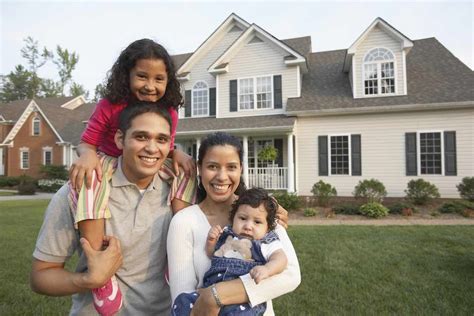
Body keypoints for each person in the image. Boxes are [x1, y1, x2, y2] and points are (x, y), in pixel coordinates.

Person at [67, 39, 196, 315]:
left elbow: (165, 146)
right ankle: (101, 267)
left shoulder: (169, 112)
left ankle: (178, 253)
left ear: (168, 82)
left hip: (148, 163)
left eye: (159, 79)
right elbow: (86, 142)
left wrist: (178, 155)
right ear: (127, 75)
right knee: (92, 180)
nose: (150, 86)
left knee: (186, 175)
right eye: (142, 76)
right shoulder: (111, 105)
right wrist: (88, 154)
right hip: (108, 161)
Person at [31, 102, 177, 315]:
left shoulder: (179, 193)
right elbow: (40, 276)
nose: (152, 148)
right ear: (120, 139)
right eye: (141, 137)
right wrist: (88, 280)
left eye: (161, 139)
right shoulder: (80, 192)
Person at [167, 132, 301, 316]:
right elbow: (182, 298)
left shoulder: (262, 212)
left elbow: (291, 274)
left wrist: (216, 295)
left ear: (241, 169)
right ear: (199, 168)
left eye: (231, 167)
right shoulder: (183, 222)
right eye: (212, 166)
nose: (222, 177)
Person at [172, 187, 288, 316]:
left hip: (242, 303)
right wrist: (211, 241)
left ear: (267, 228)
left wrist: (267, 269)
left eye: (257, 222)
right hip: (209, 292)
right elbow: (214, 254)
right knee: (183, 301)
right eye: (243, 218)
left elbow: (281, 259)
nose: (248, 226)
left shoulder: (265, 242)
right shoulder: (228, 235)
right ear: (233, 218)